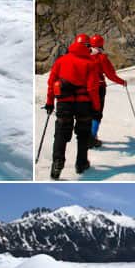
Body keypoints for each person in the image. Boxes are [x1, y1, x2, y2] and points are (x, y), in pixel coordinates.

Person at [44, 33, 101, 179]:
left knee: (61, 133)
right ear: (88, 46)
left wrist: (50, 102)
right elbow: (92, 89)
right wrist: (96, 107)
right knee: (83, 135)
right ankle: (81, 163)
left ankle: (57, 162)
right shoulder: (90, 64)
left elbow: (51, 82)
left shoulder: (62, 61)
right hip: (84, 104)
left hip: (64, 103)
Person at [88, 33, 127, 147]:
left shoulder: (84, 55)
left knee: (86, 112)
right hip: (98, 88)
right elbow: (110, 74)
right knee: (97, 113)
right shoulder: (101, 58)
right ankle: (92, 137)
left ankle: (85, 136)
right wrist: (122, 82)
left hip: (84, 88)